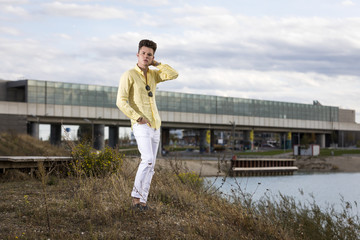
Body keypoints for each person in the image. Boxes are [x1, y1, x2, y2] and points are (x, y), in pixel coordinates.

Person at [116, 39, 178, 210]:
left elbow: (174, 74)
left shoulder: (153, 74)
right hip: (141, 123)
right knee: (148, 159)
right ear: (138, 54)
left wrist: (157, 64)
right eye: (143, 53)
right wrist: (137, 117)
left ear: (152, 57)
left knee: (152, 166)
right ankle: (135, 197)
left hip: (156, 124)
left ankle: (143, 201)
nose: (145, 56)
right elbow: (120, 101)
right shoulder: (128, 75)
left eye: (149, 54)